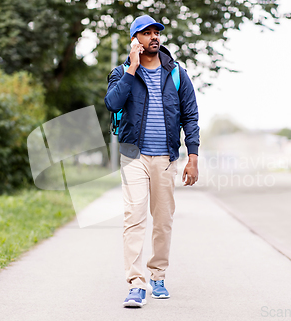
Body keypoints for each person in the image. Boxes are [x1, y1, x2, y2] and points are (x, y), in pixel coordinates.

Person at [104, 14, 200, 308]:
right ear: (135, 40)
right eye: (146, 33)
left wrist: (192, 156)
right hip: (133, 156)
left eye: (156, 32)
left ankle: (158, 276)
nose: (154, 37)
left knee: (163, 220)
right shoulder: (122, 73)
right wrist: (132, 67)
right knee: (134, 219)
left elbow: (190, 116)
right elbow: (112, 102)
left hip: (166, 158)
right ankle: (136, 283)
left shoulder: (177, 74)